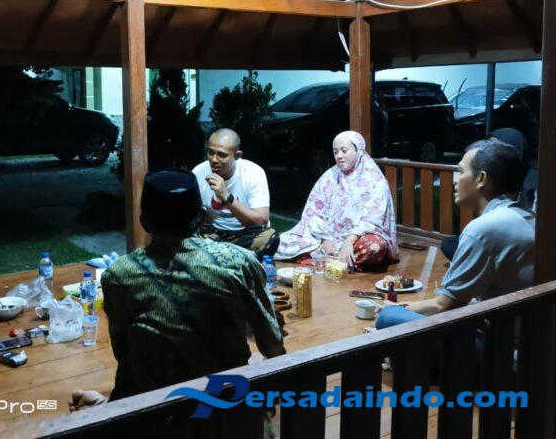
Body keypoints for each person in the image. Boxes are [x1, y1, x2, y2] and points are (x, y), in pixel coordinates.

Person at [69, 169, 285, 427]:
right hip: (229, 418)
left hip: (156, 420)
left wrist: (110, 406)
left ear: (144, 222)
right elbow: (273, 347)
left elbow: (126, 356)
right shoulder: (238, 262)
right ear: (201, 217)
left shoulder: (119, 276)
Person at [376, 140, 533, 330]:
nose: (455, 180)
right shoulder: (529, 216)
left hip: (499, 342)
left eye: (461, 171)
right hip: (531, 332)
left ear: (481, 178)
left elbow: (444, 306)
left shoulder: (483, 228)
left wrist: (396, 308)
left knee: (388, 317)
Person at [274, 130, 398, 271]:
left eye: (344, 151)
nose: (339, 156)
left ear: (358, 150)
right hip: (327, 237)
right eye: (335, 152)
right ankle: (339, 261)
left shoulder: (375, 179)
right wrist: (325, 238)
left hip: (357, 238)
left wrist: (349, 241)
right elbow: (314, 213)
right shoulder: (329, 177)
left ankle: (328, 260)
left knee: (374, 247)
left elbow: (373, 219)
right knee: (280, 242)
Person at [440, 127, 537, 261]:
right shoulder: (494, 188)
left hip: (519, 243)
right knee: (451, 243)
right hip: (499, 238)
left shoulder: (534, 184)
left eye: (496, 146)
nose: (487, 150)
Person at [192, 128, 278, 258]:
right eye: (210, 152)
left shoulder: (253, 173)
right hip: (212, 234)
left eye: (222, 155)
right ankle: (233, 256)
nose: (214, 159)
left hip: (245, 234)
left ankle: (216, 256)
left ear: (237, 156)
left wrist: (226, 196)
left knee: (270, 237)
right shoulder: (199, 172)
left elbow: (261, 221)